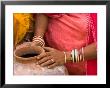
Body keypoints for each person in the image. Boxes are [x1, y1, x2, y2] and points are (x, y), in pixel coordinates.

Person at [32, 13, 97, 75]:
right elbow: (45, 11)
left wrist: (65, 56)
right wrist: (38, 39)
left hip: (87, 70)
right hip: (55, 65)